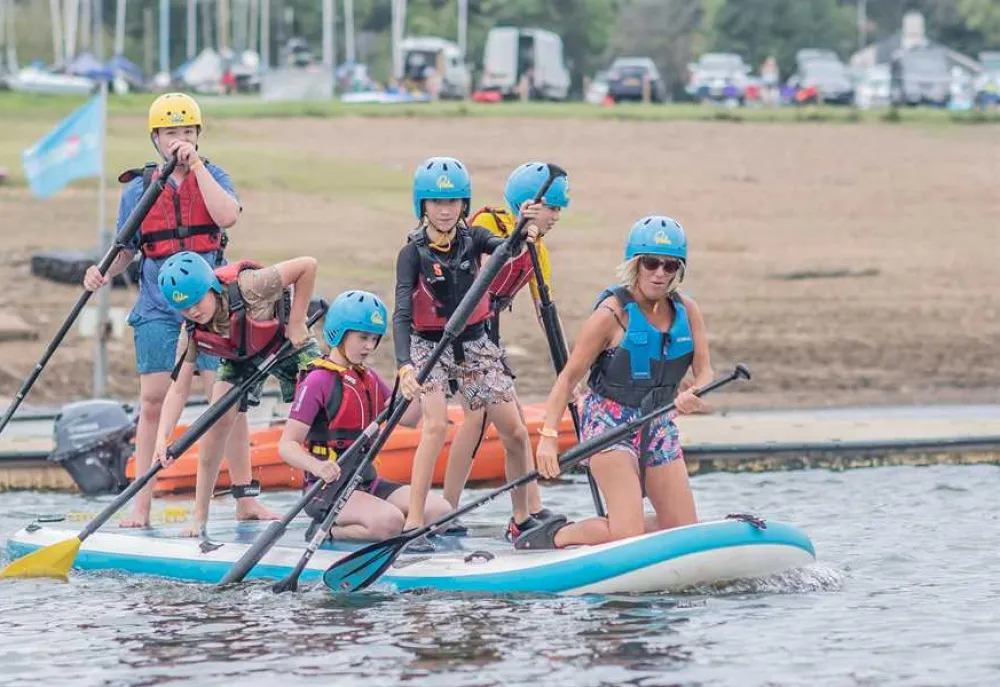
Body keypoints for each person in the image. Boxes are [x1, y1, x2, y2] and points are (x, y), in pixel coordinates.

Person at [82, 93, 256, 528]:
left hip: (213, 306)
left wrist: (195, 166)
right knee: (153, 402)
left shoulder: (213, 174)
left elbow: (227, 216)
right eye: (171, 133)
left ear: (197, 136)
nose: (180, 140)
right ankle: (141, 504)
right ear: (156, 138)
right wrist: (100, 271)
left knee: (228, 398)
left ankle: (245, 498)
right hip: (159, 306)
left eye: (188, 132)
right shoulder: (138, 189)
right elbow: (125, 250)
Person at [519, 216, 714, 550]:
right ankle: (555, 535)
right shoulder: (611, 315)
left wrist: (696, 393)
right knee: (628, 534)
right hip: (609, 424)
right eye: (651, 263)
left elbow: (706, 372)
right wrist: (548, 438)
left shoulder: (688, 311)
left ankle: (628, 531)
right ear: (635, 264)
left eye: (670, 266)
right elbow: (567, 379)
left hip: (660, 422)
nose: (660, 273)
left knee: (681, 529)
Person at [393, 156, 554, 547]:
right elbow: (400, 312)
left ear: (464, 204)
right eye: (435, 202)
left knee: (515, 432)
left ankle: (521, 518)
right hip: (428, 346)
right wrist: (404, 367)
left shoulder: (475, 238)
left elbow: (508, 248)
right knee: (434, 426)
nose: (445, 210)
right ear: (422, 206)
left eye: (452, 202)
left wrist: (523, 229)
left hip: (476, 344)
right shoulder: (411, 252)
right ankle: (414, 523)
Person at [440, 162, 569, 538]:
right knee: (480, 420)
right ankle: (447, 511)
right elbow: (476, 271)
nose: (556, 217)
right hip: (456, 335)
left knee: (503, 424)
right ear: (529, 204)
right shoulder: (484, 226)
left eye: (560, 209)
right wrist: (516, 237)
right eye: (553, 208)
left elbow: (546, 313)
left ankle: (530, 508)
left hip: (487, 338)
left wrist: (568, 370)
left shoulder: (538, 250)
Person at [153, 251, 319, 536]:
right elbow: (178, 389)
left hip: (286, 343)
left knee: (328, 400)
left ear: (211, 287)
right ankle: (202, 517)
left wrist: (296, 321)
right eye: (185, 308)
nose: (193, 312)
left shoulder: (251, 285)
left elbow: (307, 265)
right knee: (214, 426)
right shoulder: (190, 330)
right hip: (241, 358)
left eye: (197, 301)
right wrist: (161, 437)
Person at [278, 290, 452, 544]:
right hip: (326, 489)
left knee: (441, 513)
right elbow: (286, 445)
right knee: (389, 522)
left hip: (366, 481)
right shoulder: (318, 380)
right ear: (339, 332)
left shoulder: (367, 378)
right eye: (363, 338)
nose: (369, 346)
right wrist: (317, 466)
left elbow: (410, 419)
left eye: (374, 339)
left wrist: (421, 386)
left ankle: (380, 525)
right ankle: (326, 531)